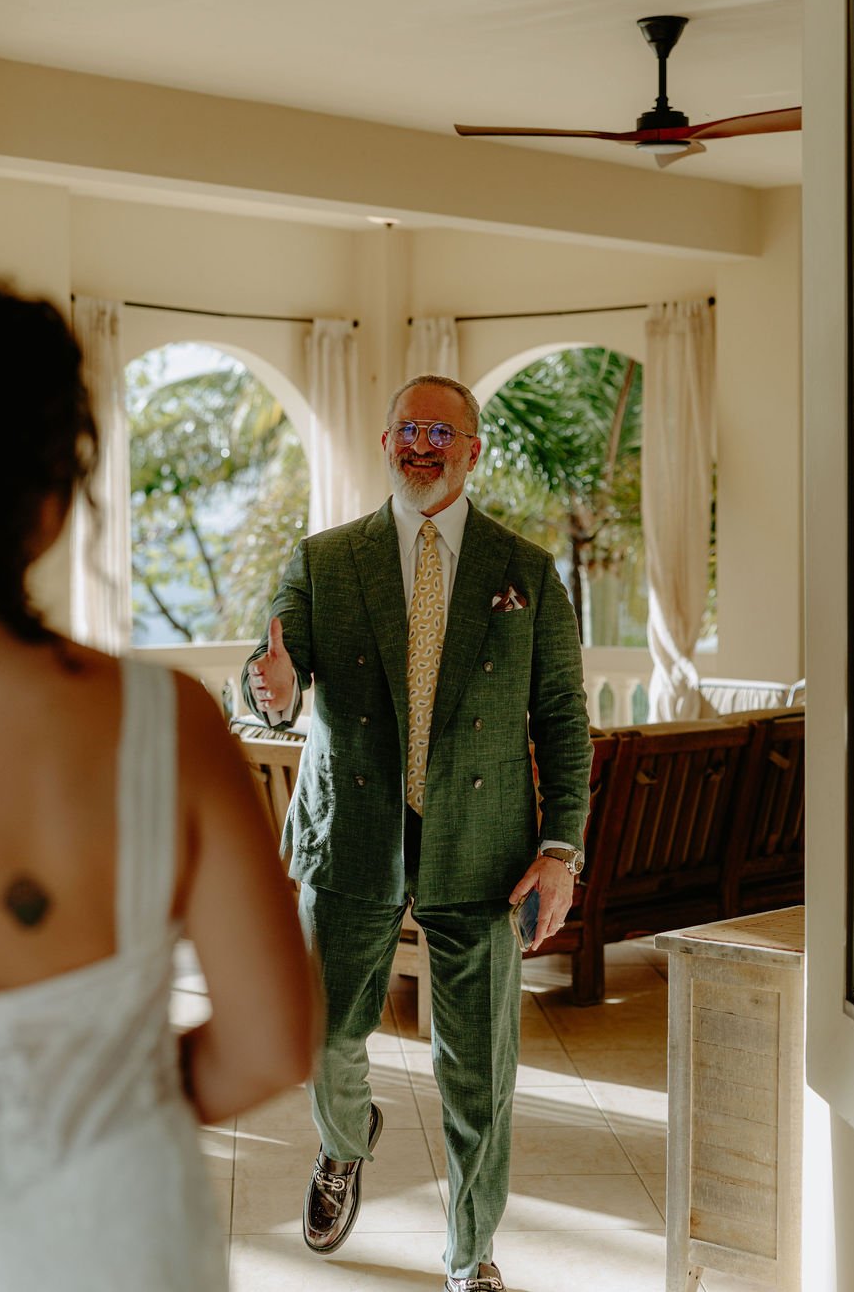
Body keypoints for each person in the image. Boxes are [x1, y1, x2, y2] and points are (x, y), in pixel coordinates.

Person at [0, 268, 317, 1291]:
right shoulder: (165, 725)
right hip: (114, 1241)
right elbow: (273, 1040)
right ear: (57, 496)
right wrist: (103, 1103)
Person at [242, 373, 593, 1292]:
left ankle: (472, 1255)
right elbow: (274, 673)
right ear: (385, 442)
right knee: (325, 1035)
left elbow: (560, 717)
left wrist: (562, 851)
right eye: (407, 428)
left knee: (479, 1077)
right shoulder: (325, 560)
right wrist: (271, 690)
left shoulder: (525, 571)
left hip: (486, 851)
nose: (422, 444)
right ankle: (344, 1142)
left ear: (474, 448)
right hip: (350, 833)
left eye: (443, 429)